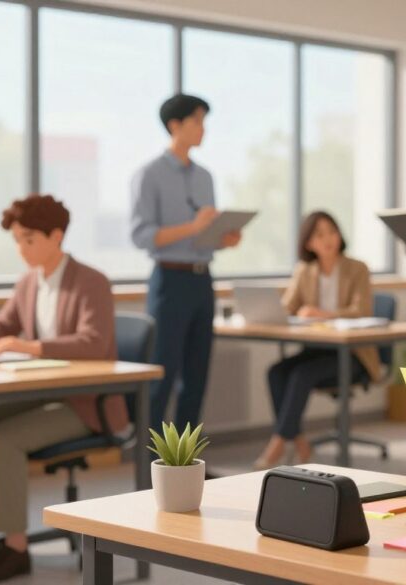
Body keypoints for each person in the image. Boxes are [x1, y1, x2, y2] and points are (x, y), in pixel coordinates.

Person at [0, 194, 123, 582]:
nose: (21, 248)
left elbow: (94, 343)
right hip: (42, 395)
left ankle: (16, 548)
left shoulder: (91, 282)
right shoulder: (28, 282)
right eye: (17, 240)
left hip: (86, 404)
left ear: (57, 236)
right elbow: (2, 326)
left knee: (0, 440)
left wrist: (31, 346)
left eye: (29, 239)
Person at [131, 93, 241, 430]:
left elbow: (202, 236)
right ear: (174, 125)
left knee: (196, 377)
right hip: (169, 281)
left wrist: (223, 238)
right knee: (161, 376)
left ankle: (187, 461)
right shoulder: (149, 174)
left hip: (202, 280)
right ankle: (150, 466)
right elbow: (142, 235)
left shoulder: (205, 177)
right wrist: (193, 227)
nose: (203, 129)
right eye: (197, 121)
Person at [253, 211, 381, 469]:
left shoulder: (357, 268)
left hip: (352, 355)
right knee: (276, 372)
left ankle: (278, 443)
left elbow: (362, 310)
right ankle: (299, 440)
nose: (328, 239)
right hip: (317, 351)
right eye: (319, 234)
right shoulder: (304, 271)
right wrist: (266, 311)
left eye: (332, 231)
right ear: (308, 243)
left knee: (301, 374)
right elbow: (288, 307)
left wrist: (323, 314)